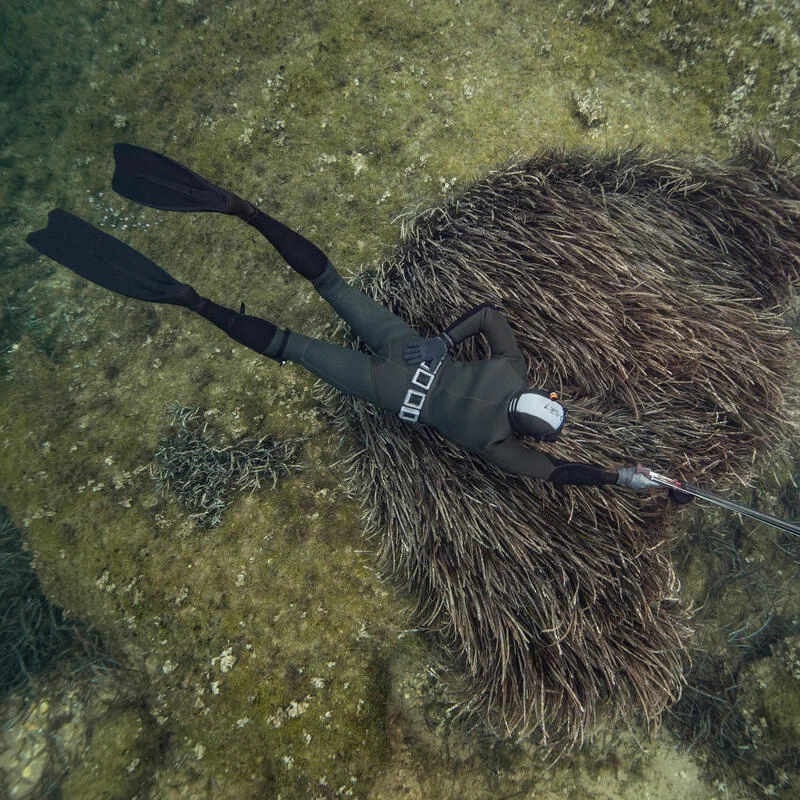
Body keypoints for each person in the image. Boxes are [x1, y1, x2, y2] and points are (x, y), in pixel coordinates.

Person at [27, 144, 658, 491]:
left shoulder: (511, 369)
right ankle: (186, 298)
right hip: (390, 388)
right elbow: (563, 475)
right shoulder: (500, 447)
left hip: (407, 351)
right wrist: (627, 479)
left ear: (537, 397)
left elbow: (491, 313)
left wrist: (440, 342)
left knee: (327, 282)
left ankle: (239, 210)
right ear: (528, 431)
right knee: (290, 346)